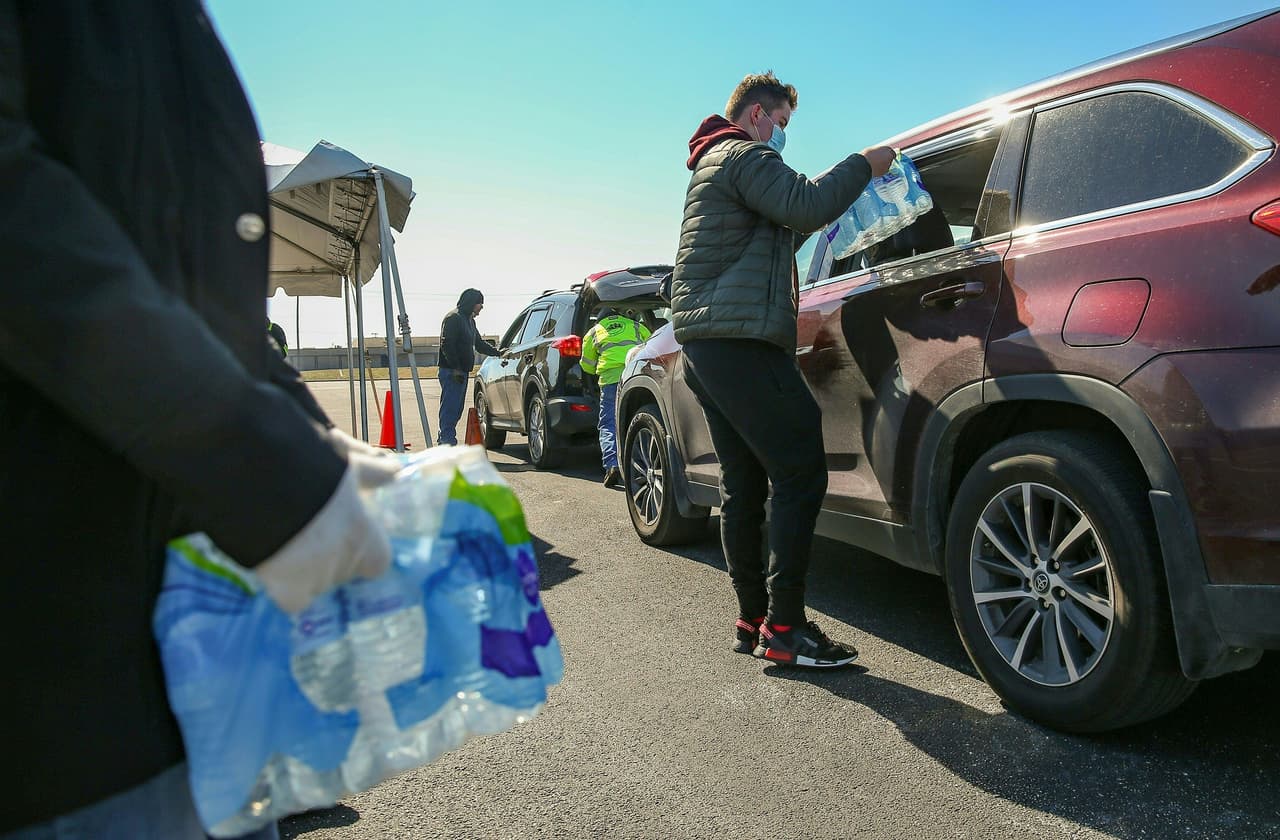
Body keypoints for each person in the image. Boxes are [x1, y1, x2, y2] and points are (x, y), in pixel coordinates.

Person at [0, 4, 397, 838]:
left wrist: (311, 439)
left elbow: (201, 299)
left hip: (210, 697)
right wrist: (258, 462)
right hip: (57, 698)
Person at [670, 71, 896, 668]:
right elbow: (806, 201)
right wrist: (865, 164)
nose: (783, 136)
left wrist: (823, 217)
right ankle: (787, 627)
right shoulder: (741, 154)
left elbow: (777, 232)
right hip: (739, 343)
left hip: (709, 347)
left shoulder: (714, 166)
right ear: (755, 116)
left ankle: (753, 618)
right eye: (783, 124)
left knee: (743, 484)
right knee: (799, 470)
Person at [580, 307, 651, 487]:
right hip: (635, 375)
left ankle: (612, 465)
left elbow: (587, 365)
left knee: (609, 424)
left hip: (610, 380)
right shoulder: (635, 326)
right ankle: (642, 465)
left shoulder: (594, 331)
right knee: (639, 419)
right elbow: (651, 346)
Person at [437, 288, 498, 445]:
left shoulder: (469, 321)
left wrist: (497, 353)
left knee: (457, 409)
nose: (481, 309)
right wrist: (456, 367)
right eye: (480, 304)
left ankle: (445, 438)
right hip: (451, 372)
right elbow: (447, 345)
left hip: (461, 372)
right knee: (450, 408)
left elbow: (479, 344)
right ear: (472, 303)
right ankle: (447, 441)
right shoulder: (453, 318)